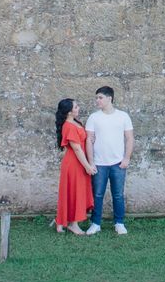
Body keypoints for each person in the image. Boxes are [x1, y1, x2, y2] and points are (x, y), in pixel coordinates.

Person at [85, 86, 134, 235]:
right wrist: (91, 162)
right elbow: (89, 140)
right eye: (96, 98)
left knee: (118, 194)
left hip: (118, 163)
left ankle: (119, 223)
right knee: (97, 194)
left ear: (109, 98)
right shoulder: (94, 117)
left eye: (100, 97)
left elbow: (129, 138)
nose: (97, 101)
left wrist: (126, 158)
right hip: (99, 163)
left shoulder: (123, 116)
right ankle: (95, 223)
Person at [55, 98, 96, 235]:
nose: (78, 109)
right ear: (69, 112)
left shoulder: (75, 123)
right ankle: (73, 224)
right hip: (74, 163)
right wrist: (87, 166)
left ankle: (62, 221)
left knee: (75, 191)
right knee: (74, 192)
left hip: (79, 161)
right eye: (76, 107)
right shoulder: (69, 126)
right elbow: (77, 149)